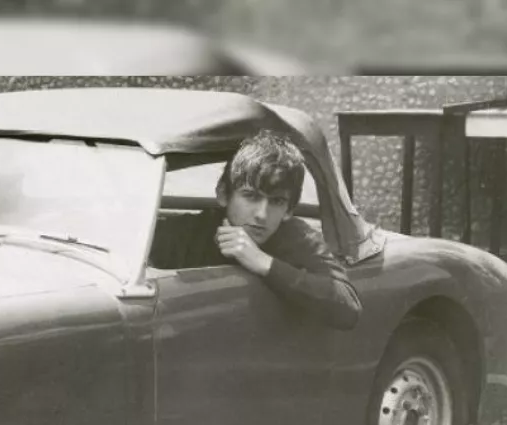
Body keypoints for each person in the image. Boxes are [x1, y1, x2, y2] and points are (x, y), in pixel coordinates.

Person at [153, 130, 362, 331]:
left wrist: (263, 262)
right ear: (224, 194)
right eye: (251, 196)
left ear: (289, 209)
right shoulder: (189, 231)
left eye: (277, 201)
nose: (262, 214)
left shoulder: (297, 237)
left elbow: (348, 308)